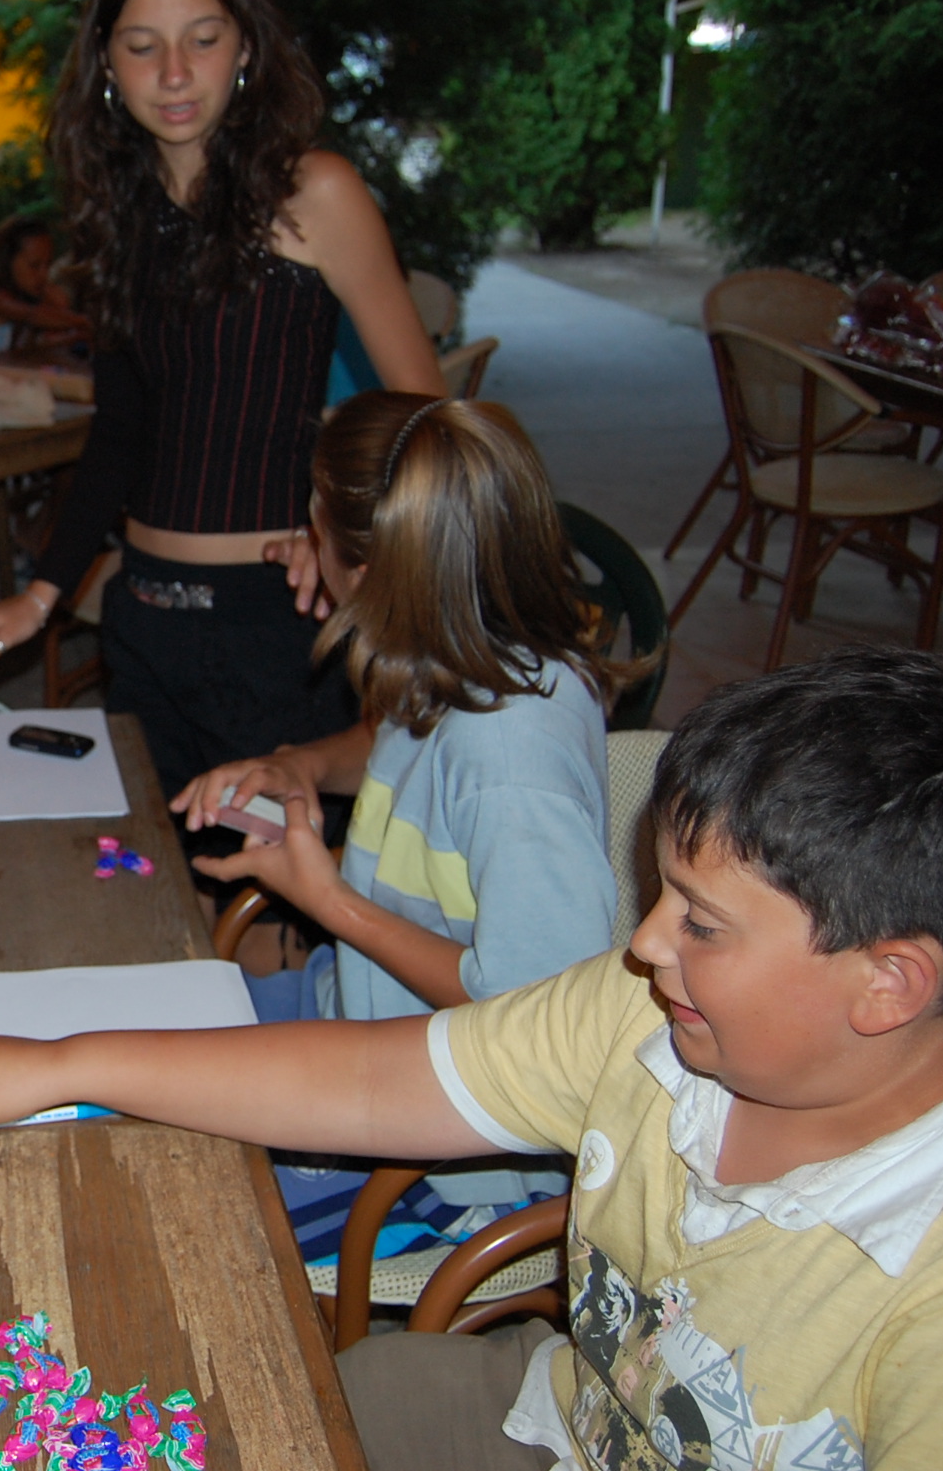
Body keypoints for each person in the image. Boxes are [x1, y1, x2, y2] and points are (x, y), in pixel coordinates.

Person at [0, 646, 943, 1470]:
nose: (643, 942)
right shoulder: (648, 1013)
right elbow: (375, 1079)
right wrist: (65, 1061)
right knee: (220, 1394)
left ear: (890, 981)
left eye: (702, 923)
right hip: (558, 1410)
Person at [0, 0, 445, 840]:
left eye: (202, 40)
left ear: (246, 46)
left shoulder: (313, 193)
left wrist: (343, 529)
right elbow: (120, 433)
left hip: (274, 622)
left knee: (278, 896)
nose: (173, 72)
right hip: (141, 614)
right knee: (163, 880)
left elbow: (428, 412)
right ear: (106, 63)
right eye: (142, 47)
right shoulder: (118, 214)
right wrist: (41, 596)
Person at [178, 391, 628, 1246]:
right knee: (153, 1049)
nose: (304, 543)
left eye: (314, 528)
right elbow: (398, 739)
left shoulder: (512, 767)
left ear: (367, 573)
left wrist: (328, 902)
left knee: (185, 1201)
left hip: (455, 1159)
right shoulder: (469, 648)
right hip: (358, 1017)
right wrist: (304, 766)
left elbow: (535, 1018)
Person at [0, 214, 92, 358]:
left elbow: (37, 342)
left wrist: (75, 334)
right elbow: (33, 315)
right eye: (34, 266)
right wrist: (85, 322)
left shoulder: (26, 295)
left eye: (47, 265)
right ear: (8, 261)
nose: (43, 274)